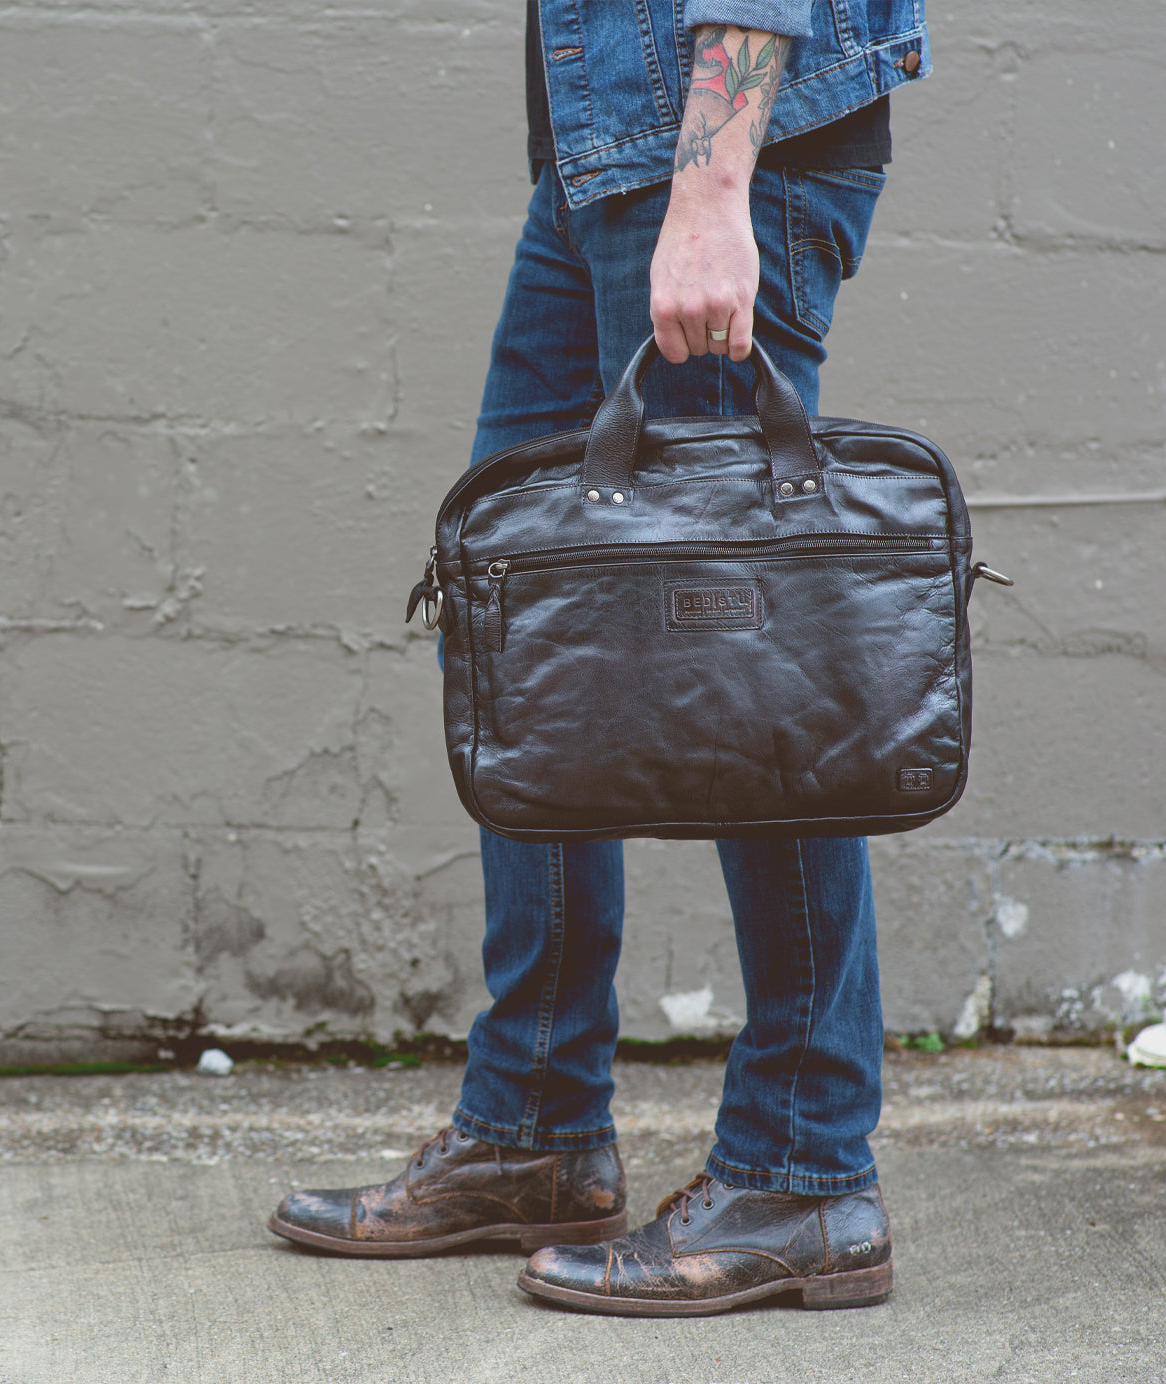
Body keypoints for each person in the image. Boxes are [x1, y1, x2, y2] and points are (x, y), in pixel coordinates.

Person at [269, 0, 929, 1316]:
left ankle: (806, 1170)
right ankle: (535, 1128)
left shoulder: (715, 171)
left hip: (716, 157)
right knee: (527, 628)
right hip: (609, 154)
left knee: (757, 658)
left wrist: (713, 178)